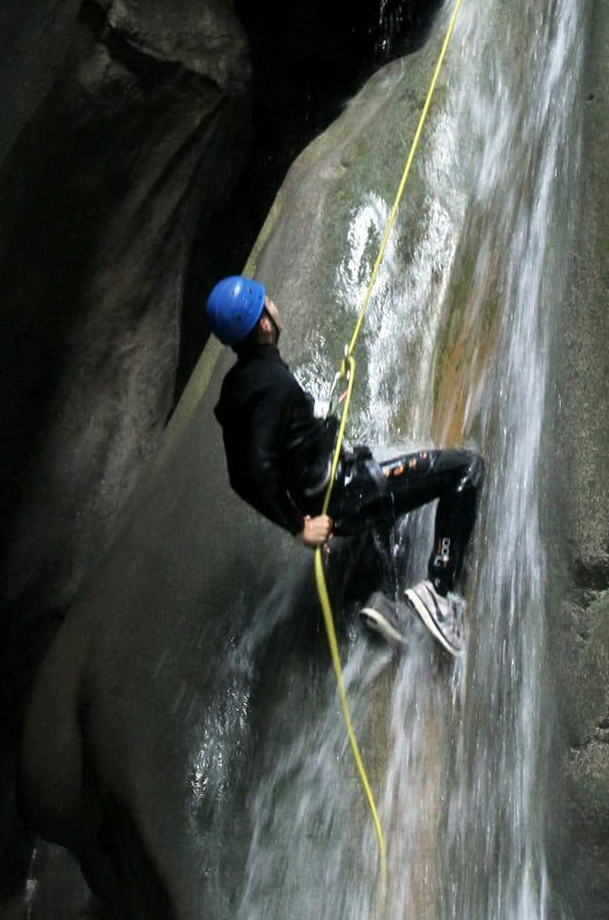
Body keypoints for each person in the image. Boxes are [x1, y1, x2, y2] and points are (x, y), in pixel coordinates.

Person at [207, 275, 485, 657]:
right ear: (265, 324)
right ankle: (439, 591)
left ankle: (385, 601)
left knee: (389, 507)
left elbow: (241, 476)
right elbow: (257, 467)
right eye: (267, 301)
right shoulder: (273, 383)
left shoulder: (239, 386)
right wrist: (299, 527)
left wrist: (300, 510)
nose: (273, 304)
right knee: (466, 468)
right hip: (347, 489)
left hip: (335, 497)